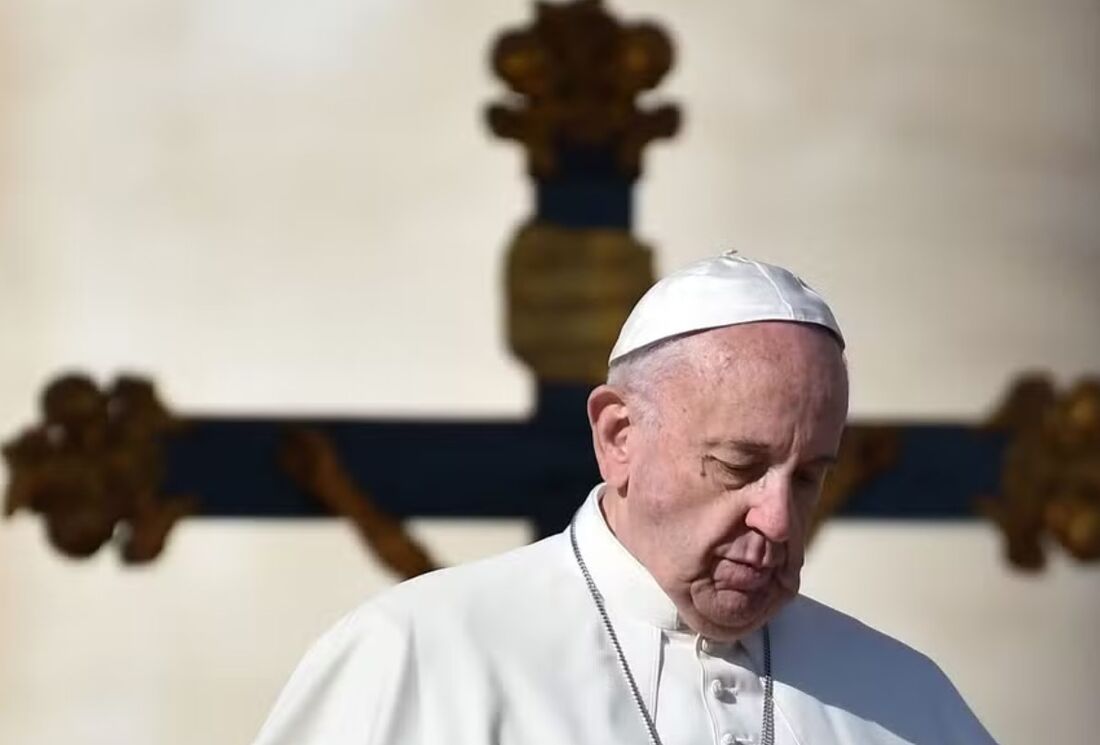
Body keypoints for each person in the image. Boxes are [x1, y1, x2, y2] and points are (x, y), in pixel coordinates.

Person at [253, 251, 998, 745]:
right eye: (739, 465)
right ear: (618, 436)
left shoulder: (906, 701)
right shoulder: (418, 655)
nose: (778, 519)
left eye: (808, 476)